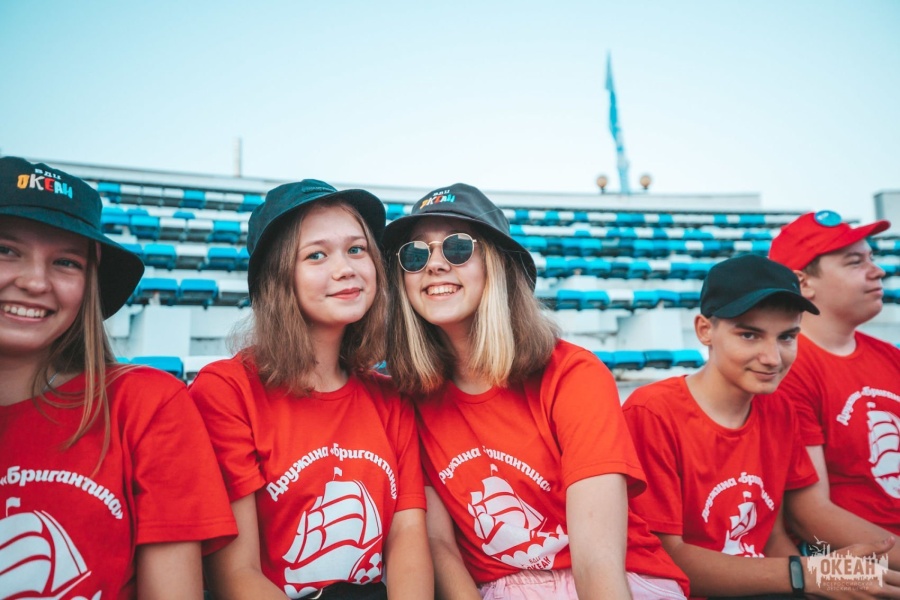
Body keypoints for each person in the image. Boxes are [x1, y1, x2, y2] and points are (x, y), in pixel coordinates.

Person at [383, 183, 689, 599]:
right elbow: (439, 545)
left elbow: (597, 562)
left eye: (457, 247)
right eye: (415, 254)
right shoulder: (408, 396)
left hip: (619, 579)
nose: (434, 264)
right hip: (500, 588)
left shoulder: (573, 375)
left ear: (498, 264)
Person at [0, 156, 236, 598]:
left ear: (89, 284)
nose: (35, 282)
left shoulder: (147, 403)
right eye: (7, 250)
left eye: (66, 262)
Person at [189, 179, 431, 599]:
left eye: (357, 249)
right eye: (316, 255)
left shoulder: (392, 398)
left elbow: (408, 537)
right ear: (278, 278)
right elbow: (235, 573)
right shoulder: (227, 391)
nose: (345, 269)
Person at [623, 253, 899, 599]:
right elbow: (665, 558)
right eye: (749, 335)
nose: (773, 358)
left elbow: (771, 536)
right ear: (705, 330)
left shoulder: (779, 408)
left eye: (787, 337)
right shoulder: (652, 413)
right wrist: (808, 575)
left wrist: (817, 585)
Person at [768, 210, 900, 565]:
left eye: (871, 258)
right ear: (804, 283)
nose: (877, 271)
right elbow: (810, 516)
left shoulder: (890, 357)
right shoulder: (786, 369)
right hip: (855, 563)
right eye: (855, 262)